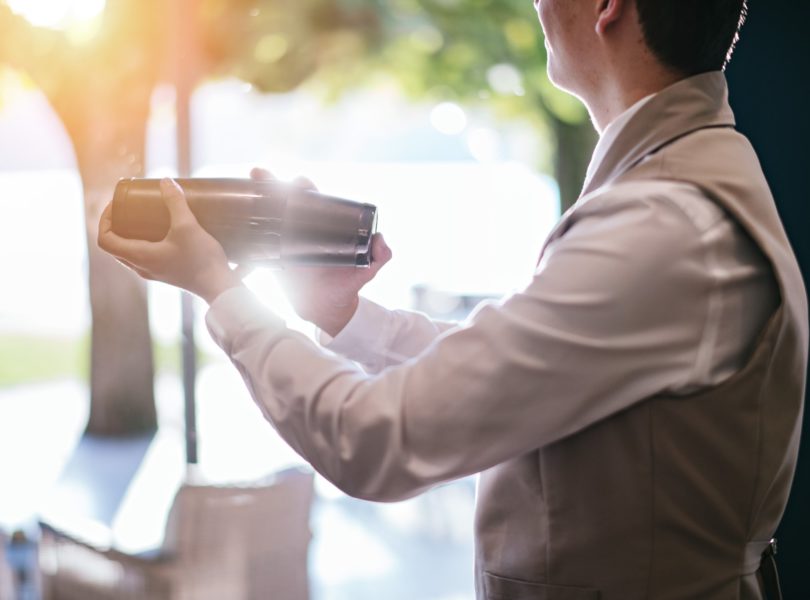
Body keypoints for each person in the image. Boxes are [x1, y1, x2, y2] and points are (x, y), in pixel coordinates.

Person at [98, 0, 809, 598]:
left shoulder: (662, 229)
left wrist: (220, 291)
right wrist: (341, 314)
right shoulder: (672, 195)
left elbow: (374, 440)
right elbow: (507, 376)